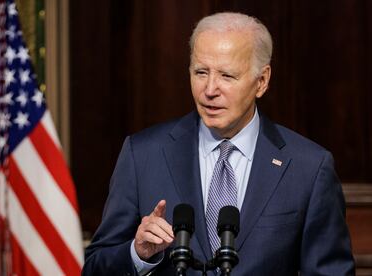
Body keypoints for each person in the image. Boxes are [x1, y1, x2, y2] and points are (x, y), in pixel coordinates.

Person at [82, 12, 355, 275]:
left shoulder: (309, 168)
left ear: (261, 81)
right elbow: (95, 267)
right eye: (201, 72)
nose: (210, 89)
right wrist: (138, 254)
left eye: (227, 76)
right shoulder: (142, 155)